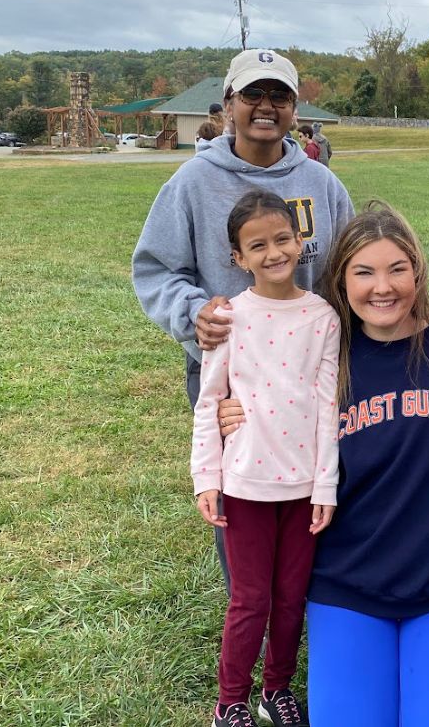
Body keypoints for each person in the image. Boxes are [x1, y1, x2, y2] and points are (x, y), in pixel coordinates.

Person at [219, 202, 429, 727]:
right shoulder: (320, 353)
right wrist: (231, 412)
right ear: (340, 281)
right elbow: (258, 384)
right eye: (363, 272)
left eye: (397, 269)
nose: (382, 287)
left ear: (418, 270)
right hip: (346, 583)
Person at [132, 47, 354, 591]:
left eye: (279, 95)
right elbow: (156, 269)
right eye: (252, 93)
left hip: (312, 375)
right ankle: (250, 600)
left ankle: (312, 599)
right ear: (229, 103)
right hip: (235, 381)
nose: (265, 105)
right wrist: (192, 312)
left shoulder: (321, 184)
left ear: (294, 109)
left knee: (316, 484)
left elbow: (350, 268)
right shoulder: (192, 183)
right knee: (243, 493)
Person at [193, 190, 339, 727]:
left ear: (301, 241)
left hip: (303, 489)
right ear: (238, 257)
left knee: (291, 597)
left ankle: (275, 689)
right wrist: (207, 477)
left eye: (283, 239)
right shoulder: (228, 317)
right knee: (250, 600)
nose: (274, 252)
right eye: (258, 245)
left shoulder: (323, 316)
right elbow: (210, 402)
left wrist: (325, 486)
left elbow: (328, 405)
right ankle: (230, 701)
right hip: (246, 485)